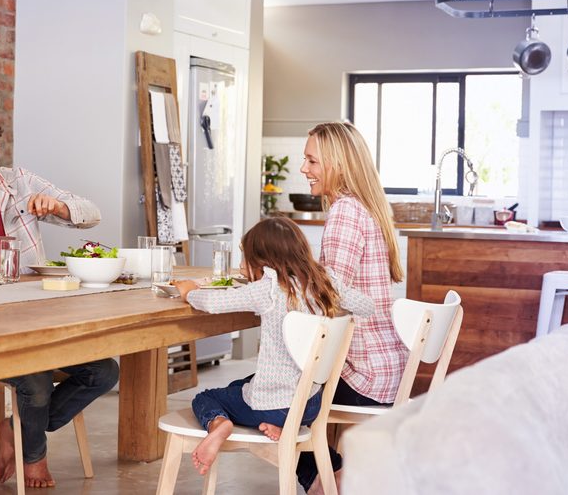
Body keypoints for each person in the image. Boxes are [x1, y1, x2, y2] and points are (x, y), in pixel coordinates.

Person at [0, 104, 120, 488]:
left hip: (32, 316)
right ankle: (34, 458)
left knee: (104, 371)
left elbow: (92, 213)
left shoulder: (22, 183)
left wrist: (58, 207)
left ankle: (12, 428)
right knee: (37, 381)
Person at [172, 217, 373, 478]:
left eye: (246, 258)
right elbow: (367, 306)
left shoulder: (269, 289)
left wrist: (189, 292)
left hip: (274, 403)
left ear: (263, 260)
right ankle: (285, 430)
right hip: (309, 404)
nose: (243, 265)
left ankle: (219, 424)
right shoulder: (326, 282)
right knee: (239, 386)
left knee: (207, 397)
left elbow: (213, 303)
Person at [296, 121, 408, 494]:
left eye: (312, 160)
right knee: (276, 391)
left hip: (362, 375)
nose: (304, 169)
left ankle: (330, 481)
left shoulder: (345, 211)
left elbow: (331, 297)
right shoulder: (367, 208)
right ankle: (343, 473)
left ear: (338, 165)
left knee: (260, 395)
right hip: (386, 372)